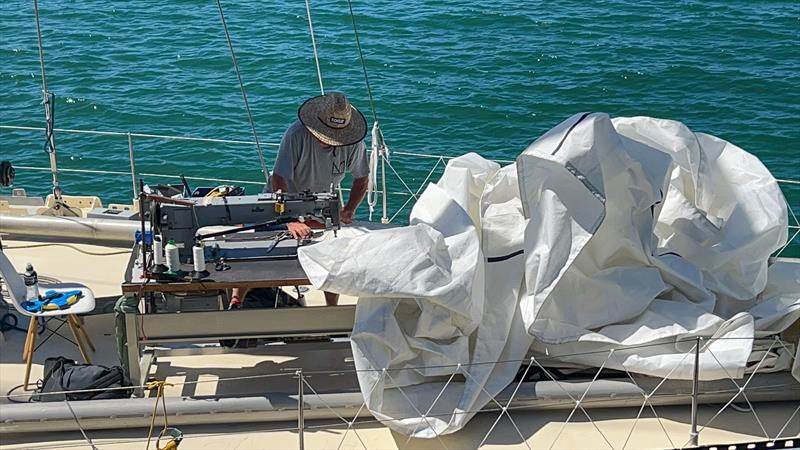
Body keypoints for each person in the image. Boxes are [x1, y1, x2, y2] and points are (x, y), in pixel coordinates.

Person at [232, 92, 369, 306]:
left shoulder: (354, 144)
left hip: (322, 203)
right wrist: (289, 218)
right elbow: (279, 178)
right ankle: (236, 300)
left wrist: (349, 209)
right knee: (259, 255)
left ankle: (331, 309)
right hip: (281, 200)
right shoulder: (295, 134)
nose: (329, 140)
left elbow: (362, 179)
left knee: (330, 258)